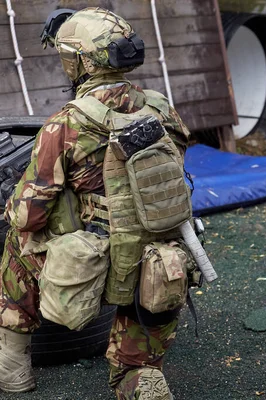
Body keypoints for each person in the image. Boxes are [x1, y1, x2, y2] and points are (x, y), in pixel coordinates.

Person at [0, 7, 193, 399]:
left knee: (18, 244)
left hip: (94, 263)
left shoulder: (68, 123)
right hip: (159, 264)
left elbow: (28, 213)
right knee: (135, 370)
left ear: (81, 62)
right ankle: (142, 378)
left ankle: (13, 368)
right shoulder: (160, 108)